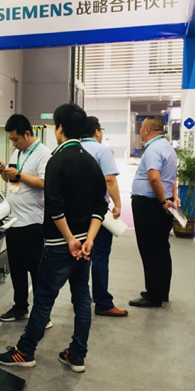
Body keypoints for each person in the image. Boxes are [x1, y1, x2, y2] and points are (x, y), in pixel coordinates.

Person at [0, 103, 107, 372]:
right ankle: (77, 354)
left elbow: (55, 207)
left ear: (60, 128)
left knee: (44, 298)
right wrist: (89, 239)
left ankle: (25, 351)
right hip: (84, 245)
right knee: (82, 298)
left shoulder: (56, 160)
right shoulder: (91, 161)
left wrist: (69, 239)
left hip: (60, 244)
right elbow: (100, 206)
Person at [0, 114, 51, 323]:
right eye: (11, 139)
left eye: (16, 139)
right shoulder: (18, 152)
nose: (13, 143)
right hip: (13, 220)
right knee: (16, 267)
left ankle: (42, 313)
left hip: (32, 221)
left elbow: (45, 183)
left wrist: (18, 175)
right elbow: (12, 180)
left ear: (27, 134)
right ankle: (20, 307)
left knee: (36, 270)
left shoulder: (43, 154)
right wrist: (4, 173)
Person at [129, 116, 179, 308]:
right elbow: (171, 178)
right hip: (161, 203)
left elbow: (154, 178)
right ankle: (161, 290)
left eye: (142, 127)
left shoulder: (153, 149)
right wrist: (170, 198)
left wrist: (163, 201)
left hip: (150, 204)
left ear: (148, 130)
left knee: (149, 249)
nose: (140, 131)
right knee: (161, 249)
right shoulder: (167, 147)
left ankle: (153, 295)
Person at [81, 117, 128, 317]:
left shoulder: (73, 149)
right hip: (97, 212)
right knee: (99, 255)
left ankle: (82, 297)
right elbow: (109, 179)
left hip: (76, 212)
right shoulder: (101, 150)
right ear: (97, 132)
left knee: (81, 256)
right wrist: (118, 204)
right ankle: (103, 302)